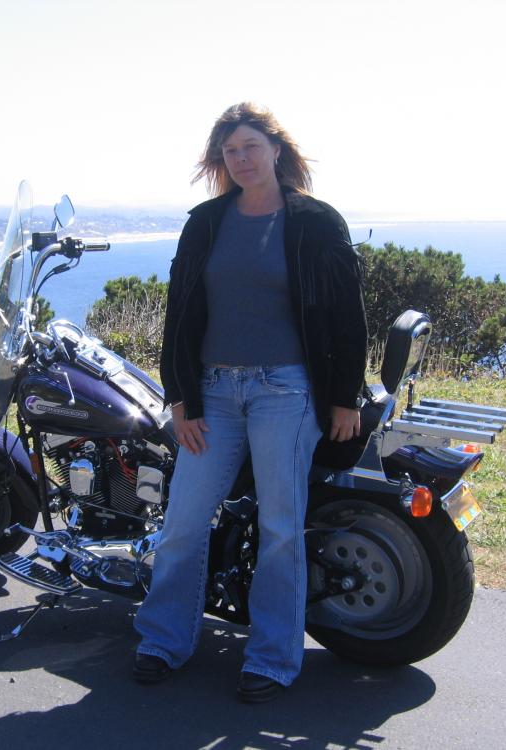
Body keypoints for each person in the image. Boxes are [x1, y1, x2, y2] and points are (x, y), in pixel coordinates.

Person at [132, 102, 368, 702]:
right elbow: (179, 314)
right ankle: (162, 640)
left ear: (277, 151)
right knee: (183, 521)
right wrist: (181, 400)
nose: (240, 160)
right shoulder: (206, 222)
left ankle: (270, 658)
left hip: (286, 393)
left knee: (280, 528)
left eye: (250, 148)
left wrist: (344, 399)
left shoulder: (316, 223)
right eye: (229, 151)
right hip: (213, 391)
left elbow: (347, 317)